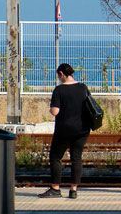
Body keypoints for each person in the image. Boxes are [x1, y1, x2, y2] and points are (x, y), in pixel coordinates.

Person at [39, 63, 89, 199]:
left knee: (55, 157)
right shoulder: (83, 87)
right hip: (82, 129)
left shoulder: (59, 90)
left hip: (65, 129)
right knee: (76, 158)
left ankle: (55, 188)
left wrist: (50, 109)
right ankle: (73, 190)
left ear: (61, 74)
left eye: (58, 76)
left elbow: (55, 111)